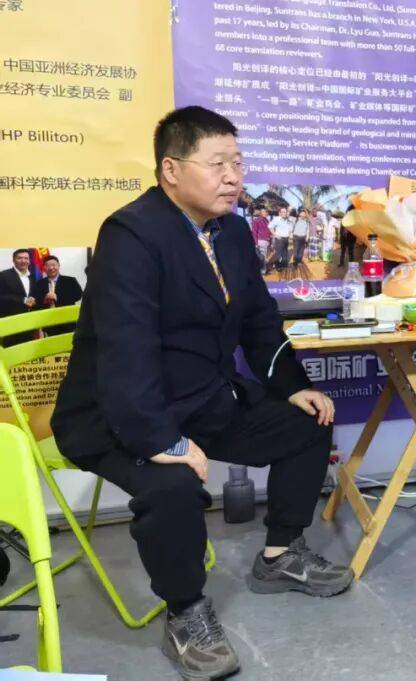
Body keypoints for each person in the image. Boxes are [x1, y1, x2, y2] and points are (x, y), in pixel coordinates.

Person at [51, 106, 353, 681]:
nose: (234, 177)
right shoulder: (131, 234)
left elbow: (259, 321)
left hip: (202, 396)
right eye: (218, 164)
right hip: (118, 412)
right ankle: (186, 612)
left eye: (238, 163)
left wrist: (292, 387)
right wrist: (161, 440)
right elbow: (126, 352)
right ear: (171, 169)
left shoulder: (232, 231)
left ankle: (280, 555)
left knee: (308, 421)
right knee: (171, 486)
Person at [31, 255, 83, 334]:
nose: (51, 268)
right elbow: (35, 302)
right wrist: (44, 301)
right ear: (44, 268)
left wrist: (57, 297)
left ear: (58, 266)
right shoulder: (39, 284)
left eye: (53, 265)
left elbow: (78, 295)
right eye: (48, 265)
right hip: (48, 323)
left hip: (67, 321)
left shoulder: (70, 280)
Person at [0, 249, 37, 346]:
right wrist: (22, 300)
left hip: (29, 321)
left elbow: (31, 294)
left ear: (29, 261)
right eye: (19, 258)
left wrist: (33, 299)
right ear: (13, 260)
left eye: (26, 258)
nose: (23, 261)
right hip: (11, 321)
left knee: (27, 349)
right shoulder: (3, 275)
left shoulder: (32, 276)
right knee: (11, 350)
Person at [269, 206, 293, 272]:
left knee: (285, 252)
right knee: (278, 253)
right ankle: (278, 266)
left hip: (286, 239)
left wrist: (289, 234)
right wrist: (275, 235)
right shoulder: (277, 219)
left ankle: (284, 264)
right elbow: (270, 227)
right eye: (282, 212)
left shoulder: (288, 220)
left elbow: (290, 229)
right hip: (279, 239)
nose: (284, 213)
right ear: (280, 213)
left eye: (285, 212)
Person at [251, 207, 271, 271]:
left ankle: (262, 269)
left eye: (266, 212)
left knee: (264, 255)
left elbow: (268, 231)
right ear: (260, 213)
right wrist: (256, 243)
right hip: (260, 240)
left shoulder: (266, 220)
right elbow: (254, 232)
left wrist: (270, 239)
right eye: (263, 212)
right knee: (261, 256)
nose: (265, 213)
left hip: (266, 240)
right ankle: (262, 270)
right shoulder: (256, 220)